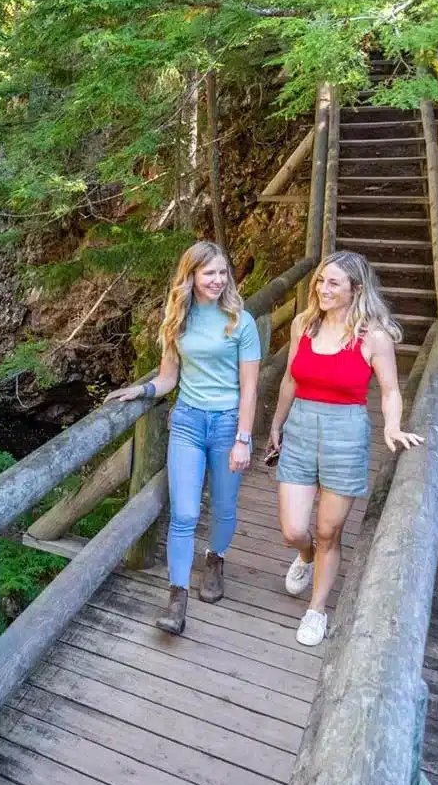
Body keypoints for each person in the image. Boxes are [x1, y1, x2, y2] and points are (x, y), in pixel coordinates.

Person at [268, 250, 422, 647]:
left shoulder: (374, 337)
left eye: (333, 282)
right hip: (301, 427)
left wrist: (392, 426)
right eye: (321, 280)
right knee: (294, 530)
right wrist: (276, 424)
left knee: (328, 531)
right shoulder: (303, 324)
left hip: (347, 433)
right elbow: (289, 379)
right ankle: (305, 556)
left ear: (356, 288)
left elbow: (390, 390)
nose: (323, 288)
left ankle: (316, 610)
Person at [106, 241, 261, 634]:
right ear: (190, 275)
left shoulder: (241, 322)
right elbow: (168, 378)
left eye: (222, 272)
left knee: (223, 506)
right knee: (185, 514)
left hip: (228, 424)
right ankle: (176, 599)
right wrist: (141, 391)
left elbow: (250, 388)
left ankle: (215, 559)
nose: (218, 280)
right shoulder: (177, 319)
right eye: (209, 273)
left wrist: (243, 439)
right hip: (188, 422)